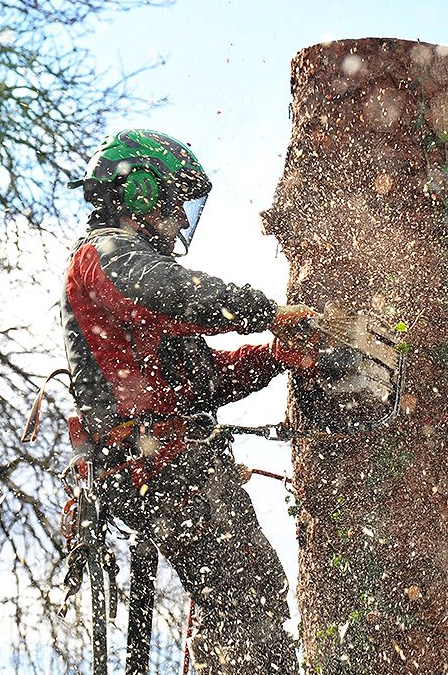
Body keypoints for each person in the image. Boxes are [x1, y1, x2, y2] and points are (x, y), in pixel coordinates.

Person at [61, 129, 311, 674]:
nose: (179, 223)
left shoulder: (143, 287)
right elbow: (169, 292)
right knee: (246, 599)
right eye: (174, 205)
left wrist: (274, 355)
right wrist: (264, 311)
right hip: (159, 464)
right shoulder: (104, 256)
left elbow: (200, 383)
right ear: (141, 192)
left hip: (176, 458)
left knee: (246, 597)